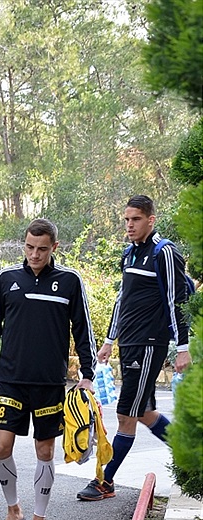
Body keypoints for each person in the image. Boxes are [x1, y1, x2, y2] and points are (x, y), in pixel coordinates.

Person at [0, 218, 96, 520]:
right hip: (12, 379)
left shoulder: (70, 281)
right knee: (1, 447)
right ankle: (13, 510)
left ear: (54, 247)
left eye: (42, 249)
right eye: (29, 247)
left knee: (45, 450)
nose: (34, 254)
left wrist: (87, 375)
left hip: (49, 383)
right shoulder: (7, 279)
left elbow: (83, 330)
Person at [77, 195, 191, 500]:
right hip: (128, 343)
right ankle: (192, 456)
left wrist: (183, 347)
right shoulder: (129, 254)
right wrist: (109, 340)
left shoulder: (163, 252)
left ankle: (105, 481)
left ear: (151, 220)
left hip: (149, 344)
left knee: (127, 413)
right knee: (144, 412)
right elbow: (121, 300)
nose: (129, 225)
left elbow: (175, 301)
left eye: (136, 219)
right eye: (127, 219)